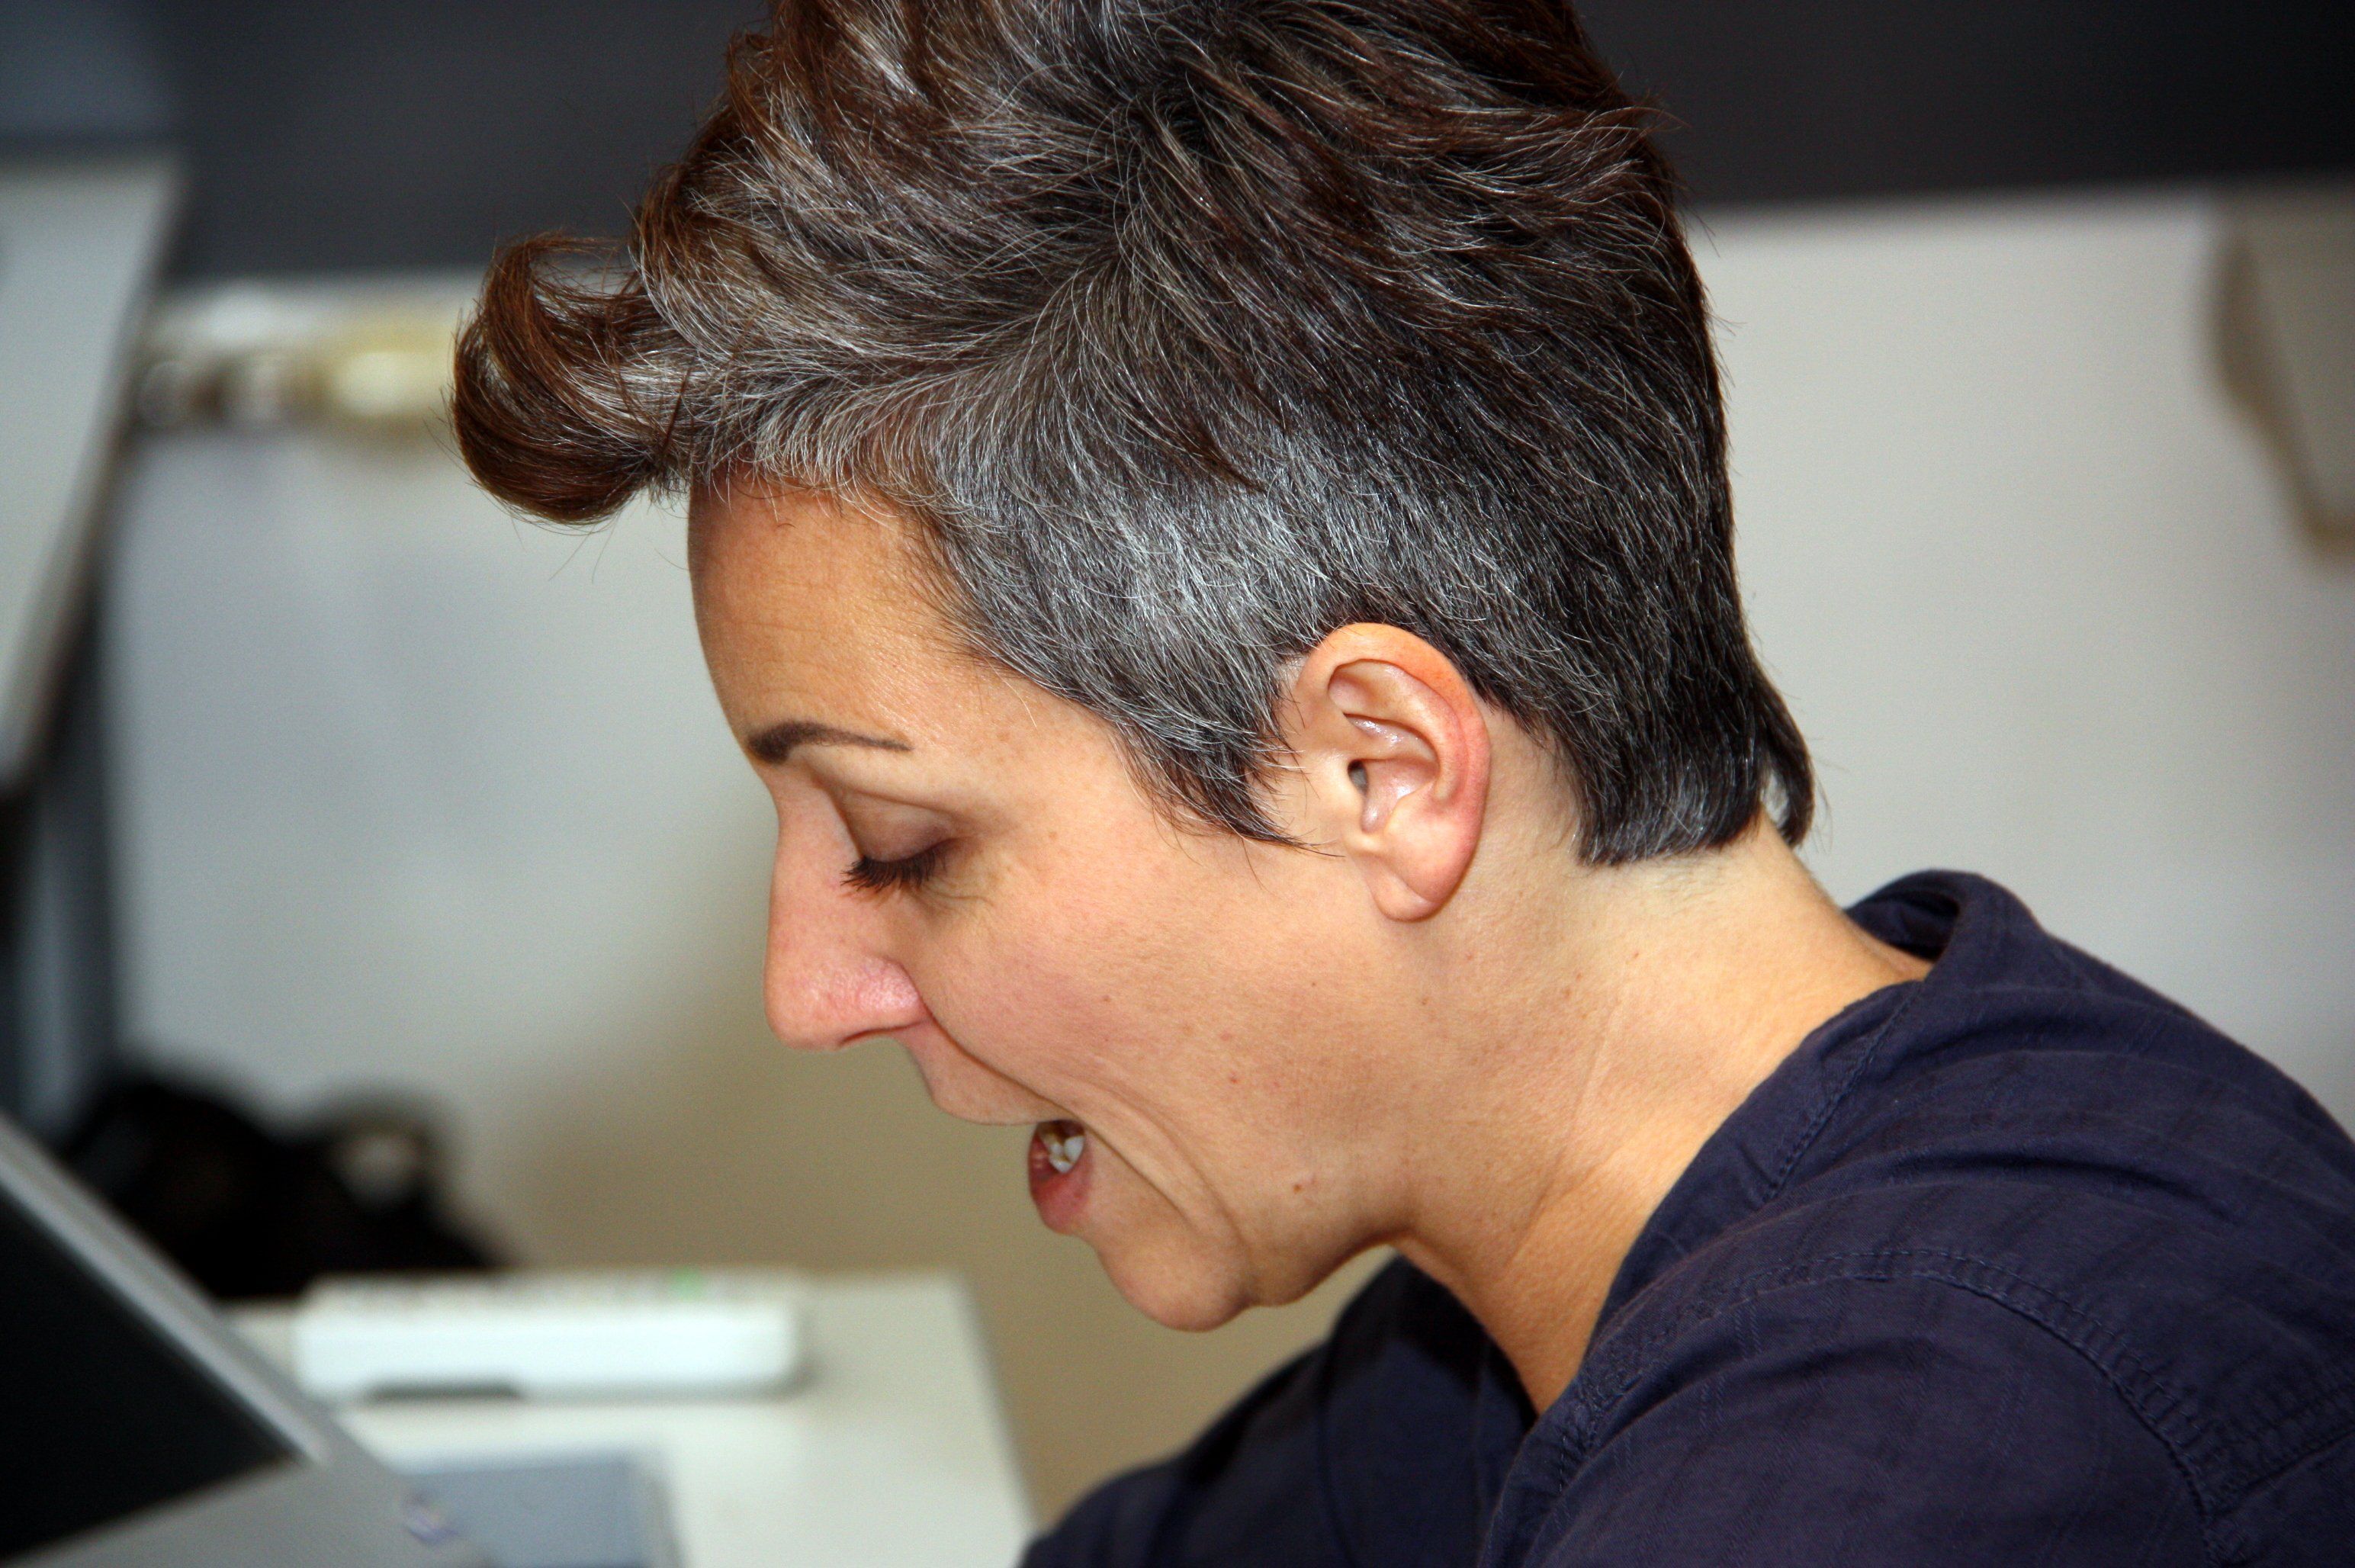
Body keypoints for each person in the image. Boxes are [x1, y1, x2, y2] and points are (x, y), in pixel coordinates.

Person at [451, 2, 2355, 1561]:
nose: (806, 990)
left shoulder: (1904, 1458)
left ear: (1379, 766)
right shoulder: (1509, 1323)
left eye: (900, 843)